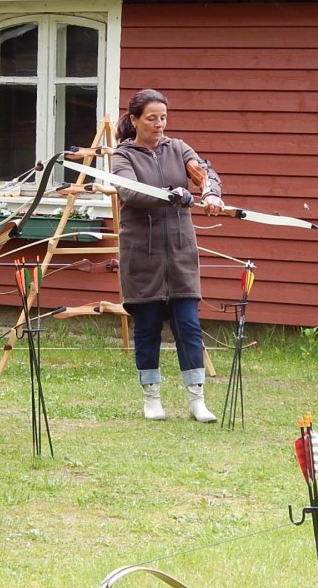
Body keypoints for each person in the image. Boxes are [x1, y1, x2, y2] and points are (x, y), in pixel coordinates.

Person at [111, 89, 224, 423]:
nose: (159, 124)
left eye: (163, 118)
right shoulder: (122, 156)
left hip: (180, 253)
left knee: (188, 325)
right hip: (141, 254)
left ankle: (196, 400)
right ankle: (152, 398)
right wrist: (171, 196)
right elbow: (130, 191)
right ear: (134, 120)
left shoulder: (178, 148)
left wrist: (210, 192)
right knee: (146, 327)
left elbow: (202, 171)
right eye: (151, 118)